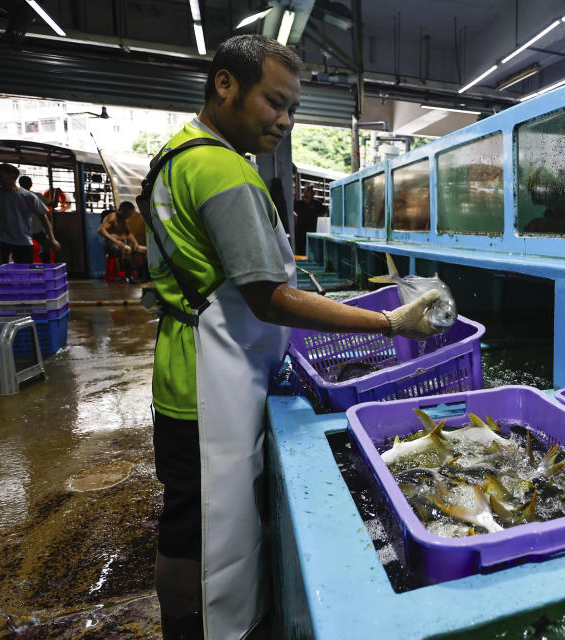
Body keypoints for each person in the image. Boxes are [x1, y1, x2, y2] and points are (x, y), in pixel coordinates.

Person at [146, 34, 445, 640]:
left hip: (197, 365)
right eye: (274, 103)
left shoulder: (184, 152)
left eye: (292, 110)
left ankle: (185, 622)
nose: (283, 120)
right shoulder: (218, 167)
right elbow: (270, 297)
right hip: (208, 383)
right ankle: (195, 628)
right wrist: (389, 321)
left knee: (188, 517)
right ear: (225, 84)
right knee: (200, 524)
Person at [0, 163, 60, 264]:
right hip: (2, 241)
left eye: (0, 175)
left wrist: (52, 239)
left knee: (24, 272)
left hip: (23, 241)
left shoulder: (28, 196)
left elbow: (43, 218)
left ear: (12, 177)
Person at [98, 201, 148, 282]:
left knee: (146, 250)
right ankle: (129, 277)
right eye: (128, 214)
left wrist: (136, 245)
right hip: (110, 244)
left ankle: (148, 277)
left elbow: (128, 234)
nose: (129, 216)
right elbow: (101, 230)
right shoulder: (112, 217)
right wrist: (116, 241)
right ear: (121, 211)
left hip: (124, 243)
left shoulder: (124, 220)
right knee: (127, 249)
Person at [17, 175, 55, 263]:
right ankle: (46, 267)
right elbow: (52, 205)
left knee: (25, 251)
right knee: (45, 248)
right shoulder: (36, 196)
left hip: (22, 230)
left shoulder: (16, 195)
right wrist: (56, 193)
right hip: (36, 230)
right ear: (31, 184)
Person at [292, 184, 326, 254]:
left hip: (312, 233)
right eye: (305, 193)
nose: (305, 195)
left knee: (312, 252)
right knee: (300, 251)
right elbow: (290, 208)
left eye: (307, 193)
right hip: (300, 233)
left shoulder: (317, 204)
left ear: (312, 195)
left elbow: (325, 212)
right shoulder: (299, 204)